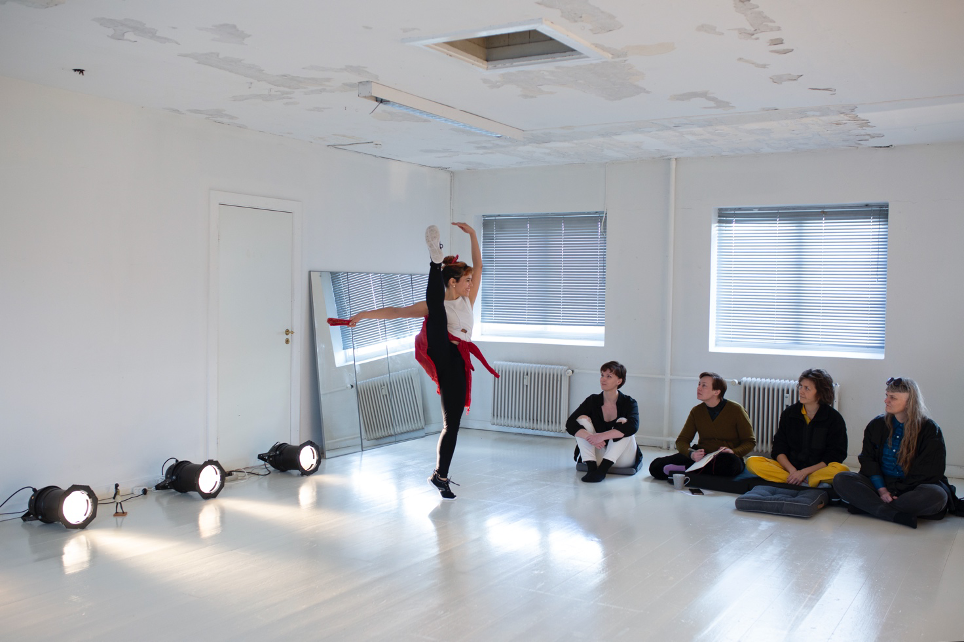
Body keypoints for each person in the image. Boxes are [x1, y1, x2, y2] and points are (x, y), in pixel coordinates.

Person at [344, 223, 497, 500]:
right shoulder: (439, 303)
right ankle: (434, 263)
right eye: (467, 280)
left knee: (452, 424)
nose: (471, 284)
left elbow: (480, 266)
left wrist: (474, 235)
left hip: (457, 363)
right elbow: (398, 311)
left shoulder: (467, 301)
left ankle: (440, 475)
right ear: (453, 281)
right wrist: (365, 314)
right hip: (440, 348)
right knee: (436, 310)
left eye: (471, 281)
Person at [833, 377, 949, 529]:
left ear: (910, 402)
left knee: (937, 496)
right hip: (880, 484)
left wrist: (899, 492)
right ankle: (894, 514)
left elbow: (930, 471)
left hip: (911, 488)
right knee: (841, 479)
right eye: (887, 395)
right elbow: (868, 460)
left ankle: (869, 507)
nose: (886, 400)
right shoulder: (877, 425)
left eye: (892, 397)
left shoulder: (929, 429)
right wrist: (882, 490)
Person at [745, 369, 849, 487]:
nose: (801, 391)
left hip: (817, 469)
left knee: (842, 470)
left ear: (820, 393)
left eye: (807, 388)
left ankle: (803, 480)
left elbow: (836, 455)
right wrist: (793, 471)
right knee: (752, 462)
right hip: (790, 469)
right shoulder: (789, 414)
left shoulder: (834, 418)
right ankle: (805, 482)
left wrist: (804, 472)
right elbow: (779, 448)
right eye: (801, 387)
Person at [649, 372, 756, 479]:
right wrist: (691, 454)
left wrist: (734, 451)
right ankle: (692, 469)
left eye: (704, 385)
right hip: (702, 456)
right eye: (699, 384)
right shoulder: (696, 411)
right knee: (655, 466)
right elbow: (682, 440)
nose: (698, 388)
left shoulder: (736, 410)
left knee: (730, 465)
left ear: (717, 391)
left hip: (726, 457)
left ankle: (686, 469)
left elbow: (749, 442)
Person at [565, 361, 641, 483]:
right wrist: (591, 437)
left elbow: (633, 427)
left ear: (619, 381)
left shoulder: (629, 402)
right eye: (602, 375)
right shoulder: (593, 400)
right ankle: (591, 468)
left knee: (624, 422)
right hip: (597, 454)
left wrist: (601, 436)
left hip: (623, 458)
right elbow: (570, 424)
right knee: (581, 419)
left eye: (609, 376)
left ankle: (602, 471)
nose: (603, 379)